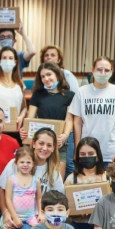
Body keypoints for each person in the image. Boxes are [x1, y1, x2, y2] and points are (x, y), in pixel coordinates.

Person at [69, 56, 115, 166]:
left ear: (111, 72)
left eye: (107, 70)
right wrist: (77, 149)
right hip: (87, 151)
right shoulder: (81, 92)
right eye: (99, 69)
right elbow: (77, 123)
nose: (103, 73)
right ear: (92, 70)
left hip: (111, 152)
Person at [20, 62, 75, 176]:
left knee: (58, 178)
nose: (46, 78)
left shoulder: (69, 95)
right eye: (43, 76)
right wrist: (24, 131)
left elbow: (69, 119)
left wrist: (65, 136)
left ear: (57, 74)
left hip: (60, 143)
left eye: (49, 74)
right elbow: (30, 119)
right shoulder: (37, 95)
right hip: (41, 144)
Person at [64, 136, 108, 229]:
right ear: (77, 156)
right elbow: (66, 206)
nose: (86, 157)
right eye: (82, 155)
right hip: (80, 226)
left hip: (103, 228)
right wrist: (77, 211)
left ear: (97, 155)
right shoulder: (72, 179)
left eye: (90, 154)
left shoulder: (107, 177)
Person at [40, 45, 79, 177]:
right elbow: (31, 118)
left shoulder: (68, 88)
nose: (49, 58)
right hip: (43, 137)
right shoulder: (39, 92)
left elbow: (71, 114)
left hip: (62, 137)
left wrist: (66, 134)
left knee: (65, 167)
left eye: (53, 55)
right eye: (46, 55)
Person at [0, 146, 41, 229]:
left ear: (33, 164)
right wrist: (15, 217)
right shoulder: (11, 179)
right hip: (14, 215)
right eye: (22, 162)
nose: (25, 165)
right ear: (16, 163)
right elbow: (7, 200)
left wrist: (40, 213)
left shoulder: (35, 180)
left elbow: (39, 198)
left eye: (28, 162)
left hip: (31, 216)